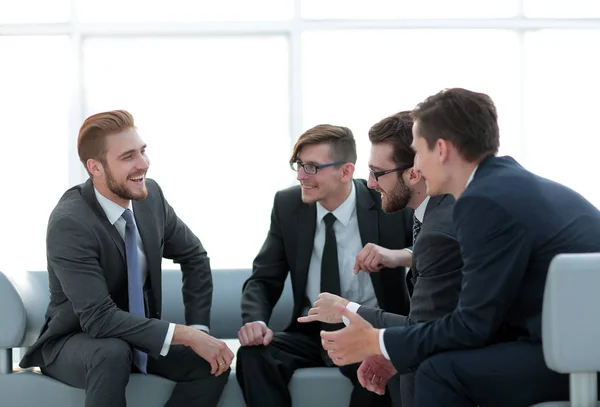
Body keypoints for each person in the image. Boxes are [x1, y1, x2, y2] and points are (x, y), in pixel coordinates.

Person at [318, 88, 600, 407]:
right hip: (565, 342)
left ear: (441, 150)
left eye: (419, 150)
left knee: (440, 372)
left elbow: (471, 326)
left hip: (581, 357)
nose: (418, 167)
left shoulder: (482, 202)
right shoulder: (501, 184)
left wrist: (378, 340)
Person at [19, 110, 233, 407]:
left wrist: (199, 331)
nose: (143, 164)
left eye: (143, 151)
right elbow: (99, 319)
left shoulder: (151, 197)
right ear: (95, 167)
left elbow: (194, 256)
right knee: (112, 351)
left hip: (137, 336)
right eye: (128, 156)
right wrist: (184, 335)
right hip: (76, 342)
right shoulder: (70, 223)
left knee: (214, 361)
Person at [236, 124, 413, 407]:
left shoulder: (387, 203)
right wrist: (255, 320)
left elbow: (430, 251)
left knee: (376, 378)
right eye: (299, 165)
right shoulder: (288, 204)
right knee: (254, 355)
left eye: (312, 167)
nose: (301, 176)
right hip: (311, 331)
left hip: (367, 330)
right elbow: (264, 277)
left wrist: (398, 254)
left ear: (345, 171)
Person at [298, 111, 462, 407]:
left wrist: (345, 309)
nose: (371, 183)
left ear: (413, 174)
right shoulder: (434, 212)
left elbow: (423, 331)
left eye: (377, 172)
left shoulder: (440, 229)